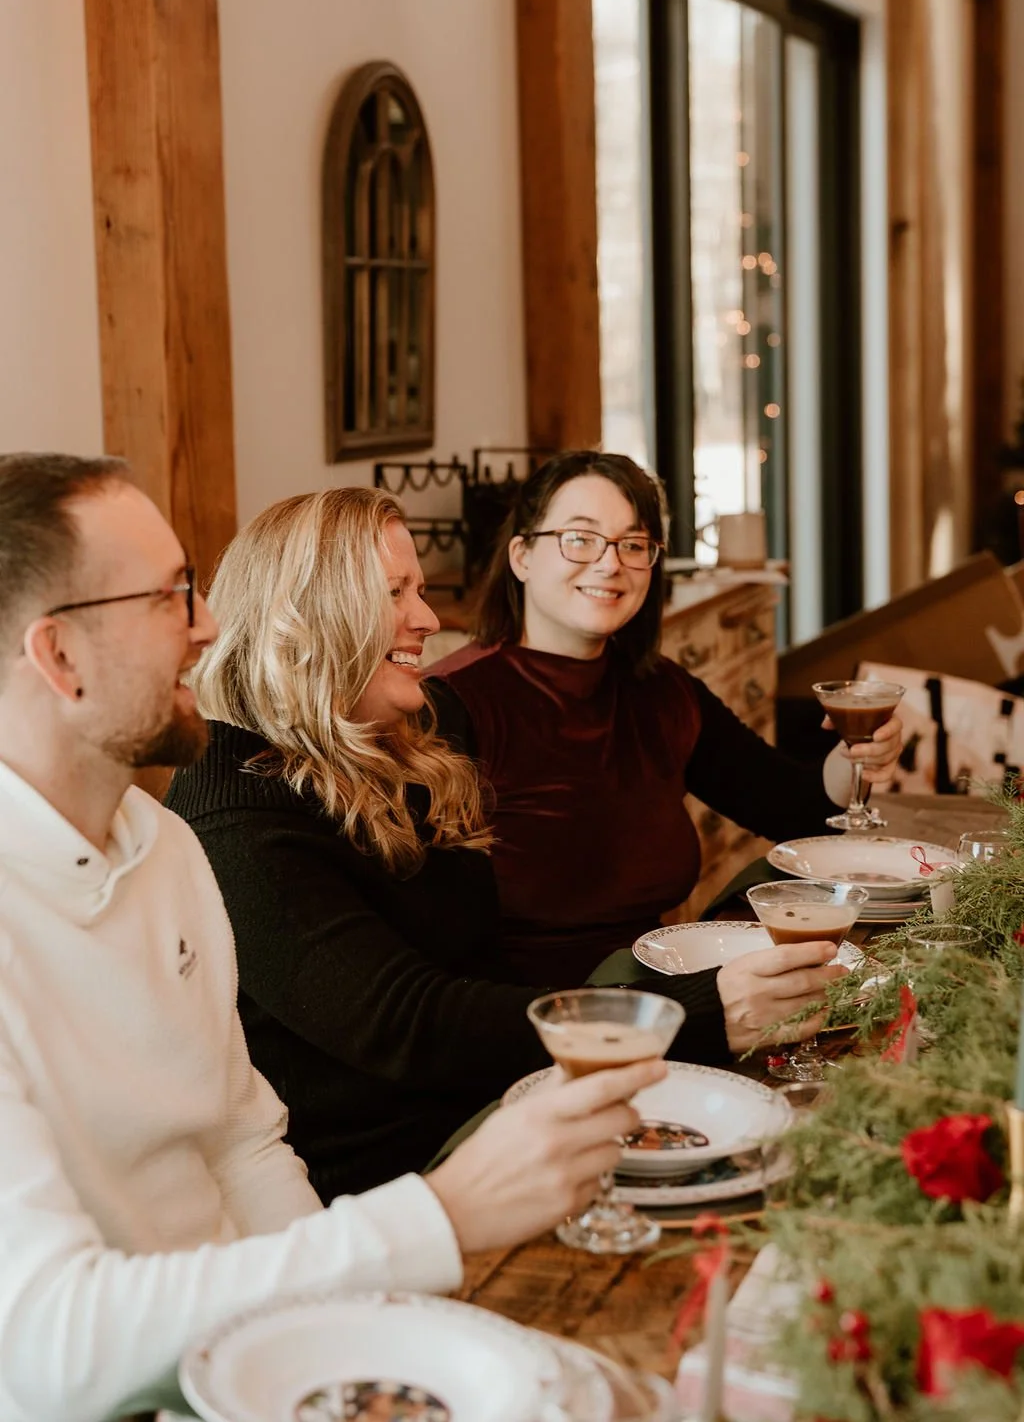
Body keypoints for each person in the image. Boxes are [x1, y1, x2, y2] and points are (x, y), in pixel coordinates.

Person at [0, 454, 662, 1422]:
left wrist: (373, 1327)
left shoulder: (167, 848)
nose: (211, 624)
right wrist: (437, 1218)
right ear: (60, 657)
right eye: (172, 596)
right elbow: (49, 1349)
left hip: (269, 1352)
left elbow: (245, 1145)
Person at [167, 486, 781, 1203]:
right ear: (305, 615)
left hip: (504, 1106)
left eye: (419, 590)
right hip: (397, 1184)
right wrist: (682, 1018)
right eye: (395, 592)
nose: (427, 619)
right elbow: (410, 1024)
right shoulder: (234, 813)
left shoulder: (400, 733)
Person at [428, 450, 903, 988]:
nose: (610, 564)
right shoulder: (452, 702)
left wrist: (854, 758)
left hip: (661, 987)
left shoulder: (662, 690)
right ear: (522, 556)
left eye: (633, 545)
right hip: (516, 1016)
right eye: (580, 538)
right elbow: (424, 931)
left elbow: (795, 810)